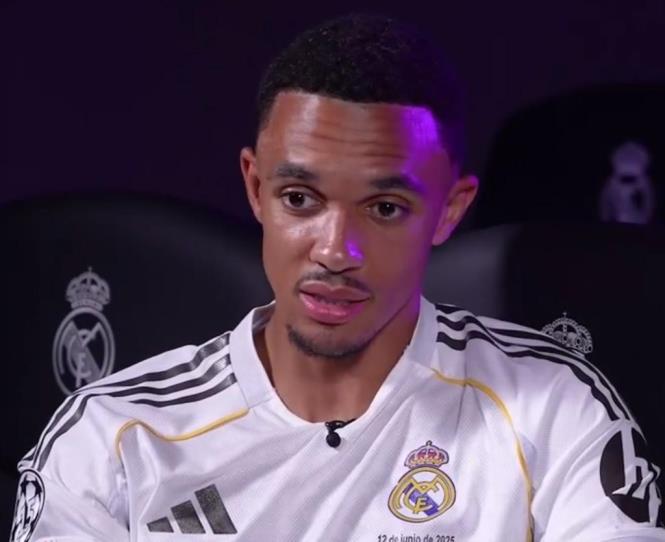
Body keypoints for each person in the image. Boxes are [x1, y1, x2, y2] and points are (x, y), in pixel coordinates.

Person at [11, 13, 665, 542]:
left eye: (384, 209)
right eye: (300, 199)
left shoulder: (553, 408)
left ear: (449, 210)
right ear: (256, 187)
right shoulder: (112, 436)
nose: (335, 250)